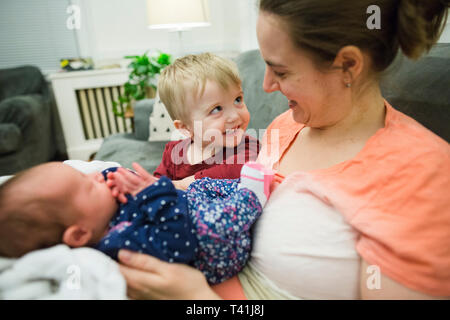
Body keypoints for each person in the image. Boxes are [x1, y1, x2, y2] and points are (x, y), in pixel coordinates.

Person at [115, 0, 450, 299]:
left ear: (347, 65)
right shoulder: (284, 125)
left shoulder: (423, 175)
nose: (266, 86)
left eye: (281, 70)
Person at [0, 160, 278, 285]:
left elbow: (111, 179)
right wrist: (154, 193)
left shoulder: (103, 210)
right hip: (214, 254)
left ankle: (236, 189)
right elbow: (178, 242)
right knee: (212, 227)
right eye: (87, 187)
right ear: (79, 234)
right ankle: (251, 198)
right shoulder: (118, 243)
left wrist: (121, 180)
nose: (95, 176)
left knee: (198, 187)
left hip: (187, 208)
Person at [153, 53, 260, 189]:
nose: (234, 116)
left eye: (237, 100)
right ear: (185, 128)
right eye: (216, 109)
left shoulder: (248, 147)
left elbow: (237, 169)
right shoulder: (174, 153)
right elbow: (155, 187)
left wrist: (181, 184)